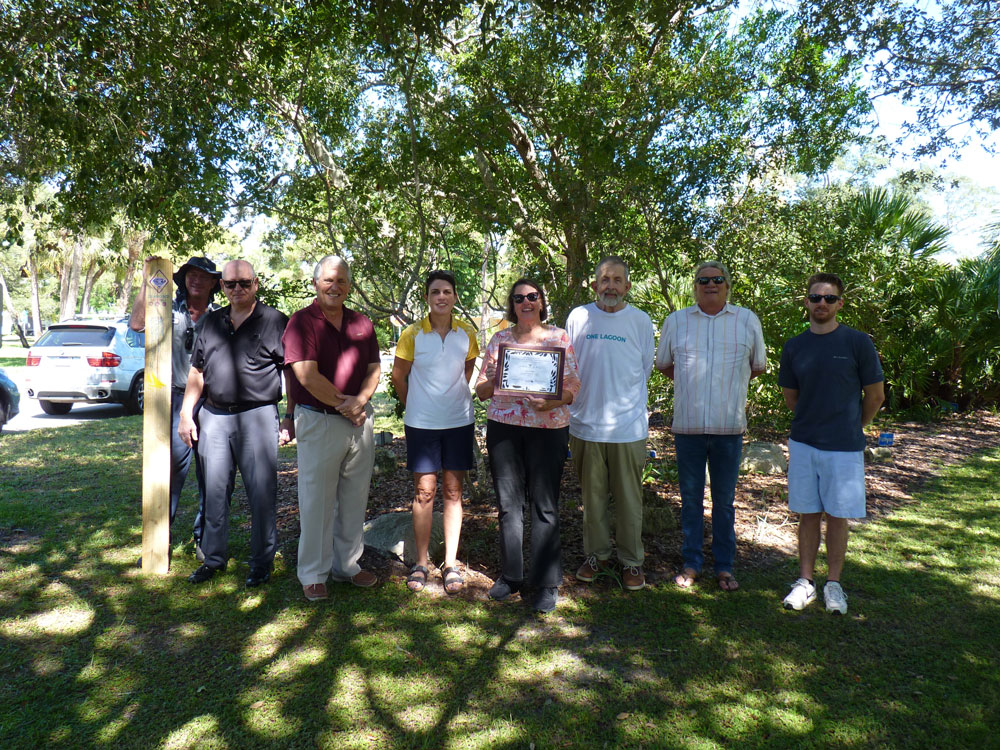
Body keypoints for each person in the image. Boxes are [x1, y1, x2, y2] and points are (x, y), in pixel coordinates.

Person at [655, 261, 765, 592]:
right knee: (690, 499)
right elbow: (664, 364)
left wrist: (726, 388)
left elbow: (756, 366)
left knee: (725, 501)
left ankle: (724, 566)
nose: (711, 284)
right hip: (687, 428)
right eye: (704, 280)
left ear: (727, 285)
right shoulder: (676, 321)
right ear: (695, 286)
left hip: (728, 428)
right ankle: (691, 563)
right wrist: (692, 385)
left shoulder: (747, 320)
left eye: (718, 279)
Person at [778, 272, 884, 614]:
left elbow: (875, 395)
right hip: (805, 442)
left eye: (829, 298)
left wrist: (854, 425)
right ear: (806, 302)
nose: (821, 303)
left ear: (840, 303)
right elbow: (792, 397)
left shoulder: (857, 342)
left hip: (845, 445)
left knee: (838, 516)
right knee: (808, 514)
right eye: (815, 297)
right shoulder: (794, 346)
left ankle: (834, 585)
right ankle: (805, 583)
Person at [179, 260, 288, 586]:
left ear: (255, 284)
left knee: (261, 494)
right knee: (213, 492)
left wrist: (291, 417)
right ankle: (213, 558)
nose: (237, 289)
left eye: (243, 283)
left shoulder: (275, 321)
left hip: (258, 416)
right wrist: (186, 413)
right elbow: (197, 373)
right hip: (213, 416)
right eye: (230, 284)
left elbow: (291, 372)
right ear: (222, 287)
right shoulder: (211, 323)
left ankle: (261, 563)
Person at [475, 278, 581, 613]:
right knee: (508, 504)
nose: (526, 302)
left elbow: (573, 384)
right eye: (519, 298)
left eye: (532, 297)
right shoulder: (500, 339)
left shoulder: (559, 337)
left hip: (548, 428)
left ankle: (547, 583)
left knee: (545, 505)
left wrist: (552, 402)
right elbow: (480, 388)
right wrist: (499, 379)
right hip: (504, 429)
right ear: (513, 304)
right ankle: (511, 576)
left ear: (541, 302)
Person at [282, 255, 381, 602]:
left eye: (341, 281)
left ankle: (347, 566)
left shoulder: (362, 324)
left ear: (349, 286)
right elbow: (306, 375)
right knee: (317, 500)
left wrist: (361, 402)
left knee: (354, 497)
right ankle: (313, 573)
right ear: (315, 284)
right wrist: (349, 406)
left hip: (358, 422)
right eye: (328, 280)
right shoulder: (301, 323)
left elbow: (373, 369)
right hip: (320, 420)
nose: (334, 287)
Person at [566, 256, 655, 591]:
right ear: (594, 285)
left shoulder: (640, 321)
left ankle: (632, 562)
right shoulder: (578, 317)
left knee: (630, 500)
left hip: (628, 427)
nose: (611, 286)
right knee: (593, 500)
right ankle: (597, 556)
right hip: (585, 425)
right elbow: (569, 365)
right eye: (605, 280)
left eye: (618, 280)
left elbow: (644, 368)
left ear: (628, 286)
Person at [391, 270, 479, 595]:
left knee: (453, 492)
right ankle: (422, 562)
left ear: (455, 296)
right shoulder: (412, 334)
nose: (441, 297)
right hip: (421, 425)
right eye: (435, 292)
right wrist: (417, 403)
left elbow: (466, 373)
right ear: (427, 298)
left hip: (458, 422)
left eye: (446, 291)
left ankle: (451, 564)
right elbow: (399, 377)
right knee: (425, 492)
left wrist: (448, 399)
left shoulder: (467, 334)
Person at [129, 256, 221, 561]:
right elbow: (137, 324)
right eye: (190, 275)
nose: (196, 280)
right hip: (171, 400)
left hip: (210, 404)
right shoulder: (165, 308)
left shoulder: (221, 317)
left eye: (203, 276)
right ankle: (156, 544)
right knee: (167, 473)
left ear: (213, 283)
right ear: (182, 279)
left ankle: (205, 541)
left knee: (211, 474)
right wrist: (147, 282)